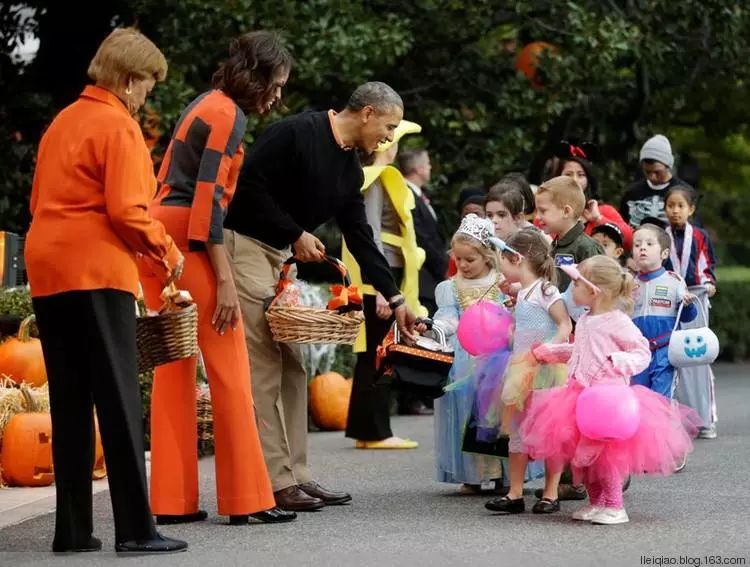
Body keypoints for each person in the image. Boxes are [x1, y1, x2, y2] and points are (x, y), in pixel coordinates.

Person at [25, 28, 187, 554]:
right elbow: (127, 211)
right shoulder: (118, 126)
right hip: (96, 268)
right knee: (117, 397)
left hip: (48, 266)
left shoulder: (62, 123)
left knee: (70, 399)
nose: (147, 95)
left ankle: (72, 531)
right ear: (127, 77)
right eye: (147, 84)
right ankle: (137, 530)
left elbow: (39, 200)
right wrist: (167, 250)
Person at [223, 82, 418, 512]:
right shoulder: (294, 133)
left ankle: (298, 474)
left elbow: (360, 238)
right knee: (266, 369)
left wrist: (396, 299)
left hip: (278, 257)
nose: (388, 138)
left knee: (294, 365)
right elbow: (247, 190)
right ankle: (275, 481)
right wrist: (294, 233)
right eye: (387, 127)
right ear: (366, 113)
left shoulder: (349, 169)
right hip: (244, 248)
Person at [139, 31, 295, 526]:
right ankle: (248, 499)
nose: (278, 94)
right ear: (259, 74)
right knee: (230, 368)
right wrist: (225, 280)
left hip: (159, 234)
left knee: (174, 367)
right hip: (189, 239)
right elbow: (208, 204)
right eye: (277, 83)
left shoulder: (206, 103)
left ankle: (171, 500)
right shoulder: (229, 114)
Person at [522, 256, 701, 525]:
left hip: (608, 402)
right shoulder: (584, 320)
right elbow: (581, 351)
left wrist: (617, 362)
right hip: (579, 397)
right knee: (582, 459)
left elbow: (641, 352)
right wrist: (552, 352)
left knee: (606, 457)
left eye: (576, 285)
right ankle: (597, 503)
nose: (571, 291)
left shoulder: (617, 321)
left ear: (594, 290)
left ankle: (615, 505)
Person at [341, 120, 426, 447]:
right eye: (393, 140)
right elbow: (371, 234)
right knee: (379, 353)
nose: (394, 145)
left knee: (374, 354)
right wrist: (381, 289)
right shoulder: (375, 181)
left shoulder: (378, 179)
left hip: (385, 274)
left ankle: (368, 429)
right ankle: (373, 431)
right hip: (381, 277)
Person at [484, 228, 571, 515]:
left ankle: (550, 492)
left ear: (517, 259)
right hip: (521, 369)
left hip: (546, 370)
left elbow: (564, 325)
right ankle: (515, 492)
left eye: (504, 262)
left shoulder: (547, 291)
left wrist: (547, 349)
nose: (501, 268)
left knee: (551, 431)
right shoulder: (522, 293)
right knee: (517, 430)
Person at [431, 214, 509, 493]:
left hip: (499, 359)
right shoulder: (452, 287)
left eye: (470, 260)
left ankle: (503, 473)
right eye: (459, 259)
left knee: (497, 415)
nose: (463, 265)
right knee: (468, 414)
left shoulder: (502, 282)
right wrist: (440, 326)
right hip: (466, 360)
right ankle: (473, 475)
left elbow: (512, 313)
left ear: (488, 256)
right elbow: (449, 315)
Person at [662, 185, 719, 439]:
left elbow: (708, 266)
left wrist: (710, 284)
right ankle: (679, 420)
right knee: (672, 357)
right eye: (670, 206)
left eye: (680, 206)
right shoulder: (660, 236)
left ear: (691, 209)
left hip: (696, 296)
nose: (675, 211)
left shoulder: (700, 236)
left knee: (699, 357)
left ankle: (705, 419)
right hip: (670, 299)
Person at [630, 224, 698, 399]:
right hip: (637, 351)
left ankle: (661, 427)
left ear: (664, 254)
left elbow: (687, 317)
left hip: (665, 351)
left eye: (649, 244)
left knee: (661, 398)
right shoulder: (628, 283)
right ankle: (642, 427)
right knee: (638, 395)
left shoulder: (674, 281)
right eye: (637, 245)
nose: (642, 248)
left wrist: (688, 305)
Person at [398, 148, 448, 317]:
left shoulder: (419, 195)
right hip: (422, 280)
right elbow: (421, 238)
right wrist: (444, 268)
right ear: (418, 169)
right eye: (427, 164)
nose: (430, 168)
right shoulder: (405, 194)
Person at [554, 144, 632, 250]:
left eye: (581, 175)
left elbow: (630, 240)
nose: (575, 180)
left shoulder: (602, 210)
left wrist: (598, 219)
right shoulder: (549, 210)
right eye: (568, 174)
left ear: (589, 180)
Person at [534, 176, 603, 291]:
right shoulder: (554, 245)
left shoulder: (587, 248)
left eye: (543, 211)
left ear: (566, 212)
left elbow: (600, 287)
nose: (537, 217)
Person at [620, 134, 694, 227]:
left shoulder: (685, 192)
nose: (652, 177)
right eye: (647, 172)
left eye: (657, 172)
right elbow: (621, 225)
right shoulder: (632, 192)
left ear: (668, 166)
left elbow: (694, 229)